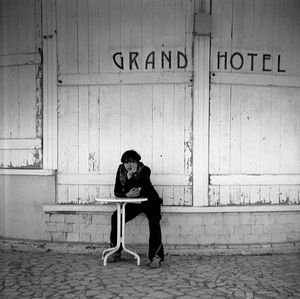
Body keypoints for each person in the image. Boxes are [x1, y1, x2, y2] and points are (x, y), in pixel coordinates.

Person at [109, 150, 164, 268]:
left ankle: (156, 257)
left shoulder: (145, 170)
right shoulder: (120, 171)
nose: (129, 165)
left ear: (137, 162)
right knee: (116, 217)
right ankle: (115, 251)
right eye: (126, 162)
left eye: (132, 161)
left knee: (154, 222)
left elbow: (139, 188)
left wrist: (130, 177)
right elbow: (117, 191)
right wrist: (126, 195)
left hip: (150, 201)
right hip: (134, 203)